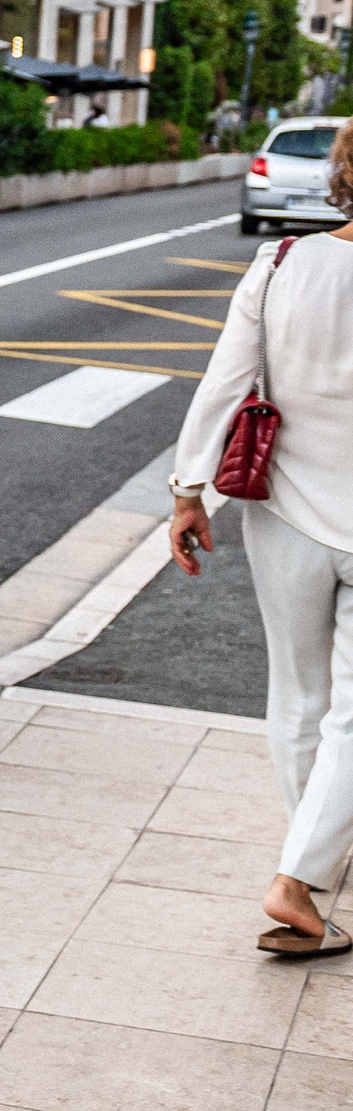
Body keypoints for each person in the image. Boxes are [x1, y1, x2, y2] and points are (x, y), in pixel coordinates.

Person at [169, 122, 353, 956]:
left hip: (282, 513)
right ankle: (301, 877)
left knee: (298, 699)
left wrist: (187, 492)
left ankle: (307, 877)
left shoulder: (281, 264)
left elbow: (225, 381)